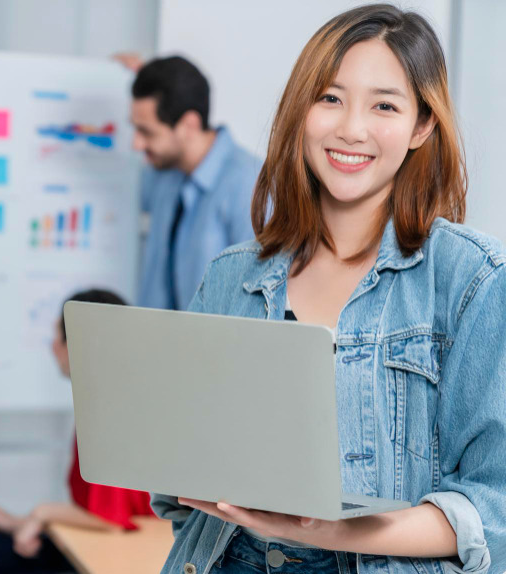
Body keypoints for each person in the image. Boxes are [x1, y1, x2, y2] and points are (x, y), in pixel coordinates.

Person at [151, 5, 506, 574]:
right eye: (330, 98)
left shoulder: (472, 278)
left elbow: (495, 511)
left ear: (421, 126)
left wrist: (335, 529)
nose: (351, 129)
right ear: (302, 109)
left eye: (384, 105)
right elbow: (183, 485)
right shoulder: (229, 277)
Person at [0, 289, 154, 574]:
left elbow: (111, 521)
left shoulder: (114, 411)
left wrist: (41, 514)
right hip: (96, 546)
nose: (52, 346)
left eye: (58, 336)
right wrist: (19, 523)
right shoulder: (102, 403)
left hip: (121, 556)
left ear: (78, 344)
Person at [128, 56, 261, 310]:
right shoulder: (163, 170)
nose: (136, 144)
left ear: (189, 125)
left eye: (146, 132)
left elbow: (259, 301)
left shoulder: (249, 184)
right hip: (152, 333)